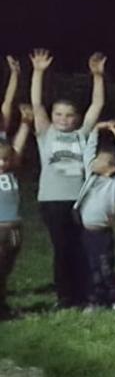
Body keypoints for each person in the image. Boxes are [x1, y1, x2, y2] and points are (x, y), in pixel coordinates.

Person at [30, 49, 106, 308]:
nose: (63, 119)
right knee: (62, 249)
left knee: (81, 248)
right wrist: (38, 72)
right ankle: (65, 297)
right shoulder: (46, 133)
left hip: (79, 200)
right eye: (58, 114)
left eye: (69, 115)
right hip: (52, 201)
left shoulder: (81, 135)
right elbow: (37, 105)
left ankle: (84, 293)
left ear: (76, 118)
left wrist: (97, 76)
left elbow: (97, 105)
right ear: (53, 116)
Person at [74, 120, 115, 313]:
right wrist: (95, 130)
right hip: (87, 232)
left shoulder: (114, 185)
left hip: (103, 233)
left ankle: (113, 299)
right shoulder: (91, 177)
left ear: (111, 168)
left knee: (106, 268)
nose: (95, 161)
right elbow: (88, 152)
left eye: (101, 160)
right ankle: (93, 301)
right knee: (91, 268)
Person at [0, 105, 34, 319]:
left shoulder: (10, 169)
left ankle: (2, 306)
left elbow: (16, 149)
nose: (2, 163)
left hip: (14, 228)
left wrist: (25, 124)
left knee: (5, 270)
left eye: (4, 159)